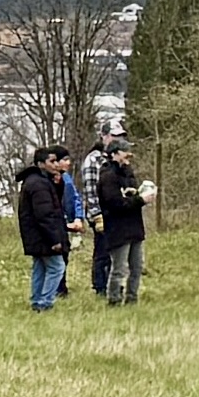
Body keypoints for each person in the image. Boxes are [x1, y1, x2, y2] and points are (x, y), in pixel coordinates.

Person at [16, 145, 72, 312]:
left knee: (40, 267)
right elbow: (45, 214)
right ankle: (45, 302)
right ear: (41, 164)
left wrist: (58, 184)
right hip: (43, 235)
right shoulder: (39, 185)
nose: (56, 164)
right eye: (52, 161)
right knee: (57, 267)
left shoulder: (40, 181)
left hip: (36, 235)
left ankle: (36, 300)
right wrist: (54, 239)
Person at [96, 135, 148, 305]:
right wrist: (140, 200)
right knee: (119, 268)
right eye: (126, 152)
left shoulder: (128, 172)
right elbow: (115, 204)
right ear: (115, 154)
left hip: (134, 227)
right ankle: (114, 300)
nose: (129, 155)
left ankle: (132, 298)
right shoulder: (107, 176)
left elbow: (131, 194)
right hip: (117, 228)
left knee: (137, 266)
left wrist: (138, 195)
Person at [80, 120, 124, 297]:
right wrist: (96, 215)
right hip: (100, 213)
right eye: (114, 136)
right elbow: (90, 189)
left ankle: (112, 284)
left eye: (120, 136)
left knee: (115, 250)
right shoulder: (93, 160)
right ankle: (100, 286)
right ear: (104, 137)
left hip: (115, 212)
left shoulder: (114, 159)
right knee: (102, 250)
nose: (117, 140)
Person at [56, 150, 85, 296]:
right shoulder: (50, 180)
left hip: (68, 223)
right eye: (64, 160)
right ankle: (56, 289)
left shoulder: (67, 178)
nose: (68, 163)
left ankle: (61, 288)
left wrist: (78, 218)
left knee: (64, 254)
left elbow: (75, 198)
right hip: (56, 224)